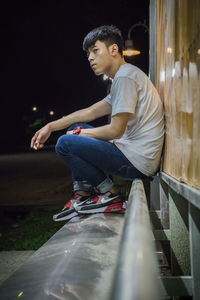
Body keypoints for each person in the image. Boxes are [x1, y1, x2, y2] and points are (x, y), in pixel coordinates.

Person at [30, 25, 164, 222]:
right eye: (88, 54)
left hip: (136, 162)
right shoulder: (124, 76)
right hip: (133, 155)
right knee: (72, 130)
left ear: (113, 50)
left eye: (95, 50)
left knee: (65, 143)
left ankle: (109, 195)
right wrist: (51, 126)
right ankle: (81, 196)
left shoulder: (125, 77)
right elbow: (90, 112)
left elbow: (115, 131)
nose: (90, 58)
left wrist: (78, 135)